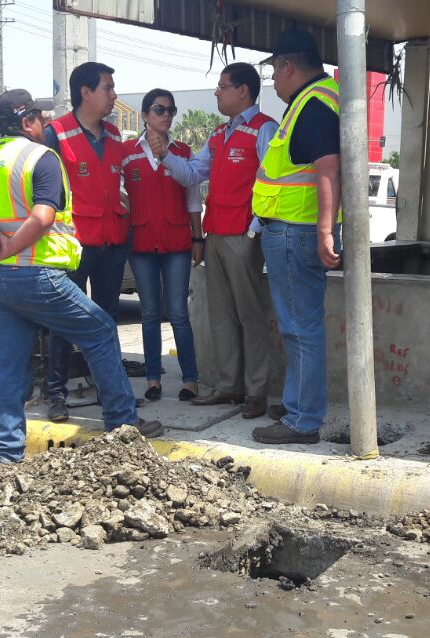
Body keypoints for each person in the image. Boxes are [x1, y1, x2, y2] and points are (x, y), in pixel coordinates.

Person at [0, 89, 162, 465]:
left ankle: (6, 456)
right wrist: (7, 249)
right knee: (100, 330)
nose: (45, 124)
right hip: (36, 276)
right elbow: (42, 218)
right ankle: (123, 427)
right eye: (39, 118)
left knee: (8, 365)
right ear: (27, 122)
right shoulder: (42, 157)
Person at [150, 63, 278, 421]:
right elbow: (193, 173)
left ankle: (255, 391)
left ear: (244, 91)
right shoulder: (220, 135)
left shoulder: (263, 128)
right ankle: (227, 385)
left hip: (243, 236)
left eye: (223, 86)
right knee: (222, 315)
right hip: (216, 234)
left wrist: (256, 228)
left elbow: (273, 180)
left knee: (250, 315)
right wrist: (164, 156)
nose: (217, 93)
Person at [250, 29, 342, 445]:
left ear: (288, 66)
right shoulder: (314, 100)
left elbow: (328, 168)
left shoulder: (313, 104)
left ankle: (303, 420)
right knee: (299, 327)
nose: (273, 80)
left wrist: (324, 231)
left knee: (300, 329)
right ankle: (297, 405)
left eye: (273, 71)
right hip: (292, 230)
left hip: (295, 231)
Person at [42, 62, 130, 423]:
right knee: (66, 322)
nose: (113, 95)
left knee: (107, 320)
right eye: (108, 88)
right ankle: (56, 394)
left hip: (112, 241)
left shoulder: (114, 134)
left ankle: (108, 388)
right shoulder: (56, 134)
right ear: (86, 93)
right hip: (73, 246)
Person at [121, 89, 202, 403]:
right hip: (141, 243)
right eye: (159, 109)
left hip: (178, 242)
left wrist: (198, 239)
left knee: (179, 313)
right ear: (144, 115)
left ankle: (190, 379)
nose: (166, 115)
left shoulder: (183, 151)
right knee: (150, 313)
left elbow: (194, 199)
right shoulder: (127, 153)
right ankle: (153, 378)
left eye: (171, 110)